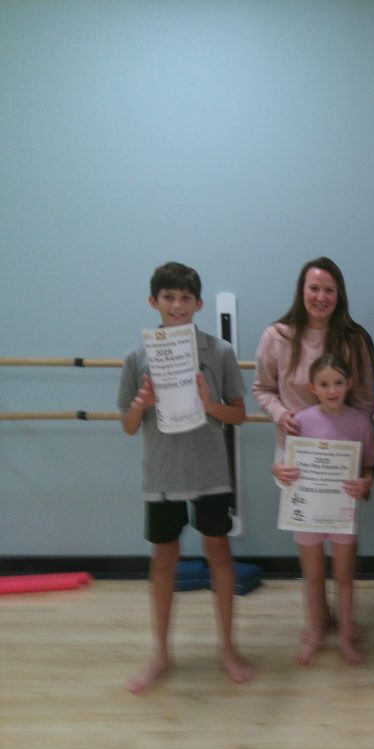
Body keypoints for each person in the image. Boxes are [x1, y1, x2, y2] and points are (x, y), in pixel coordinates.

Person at [117, 261, 253, 693]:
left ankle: (227, 648)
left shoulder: (220, 352)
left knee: (220, 554)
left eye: (185, 298)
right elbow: (128, 425)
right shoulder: (137, 357)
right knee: (163, 560)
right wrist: (141, 404)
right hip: (162, 473)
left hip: (210, 471)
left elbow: (239, 414)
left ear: (198, 304)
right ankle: (160, 652)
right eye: (169, 297)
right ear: (153, 301)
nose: (177, 305)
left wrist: (209, 405)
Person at [272, 355, 374, 666]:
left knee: (344, 576)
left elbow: (369, 466)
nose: (332, 390)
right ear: (312, 387)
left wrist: (365, 483)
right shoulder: (300, 421)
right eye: (324, 384)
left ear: (349, 384)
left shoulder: (360, 422)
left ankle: (344, 634)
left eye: (338, 383)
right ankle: (316, 630)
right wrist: (279, 470)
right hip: (307, 512)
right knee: (313, 575)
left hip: (342, 511)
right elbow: (283, 462)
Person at [254, 256, 374, 448]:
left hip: (342, 447)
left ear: (339, 295)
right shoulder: (276, 336)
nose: (321, 297)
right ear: (302, 291)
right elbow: (263, 389)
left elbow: (365, 399)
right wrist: (281, 415)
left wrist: (351, 434)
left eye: (329, 290)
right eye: (314, 288)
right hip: (293, 445)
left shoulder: (354, 340)